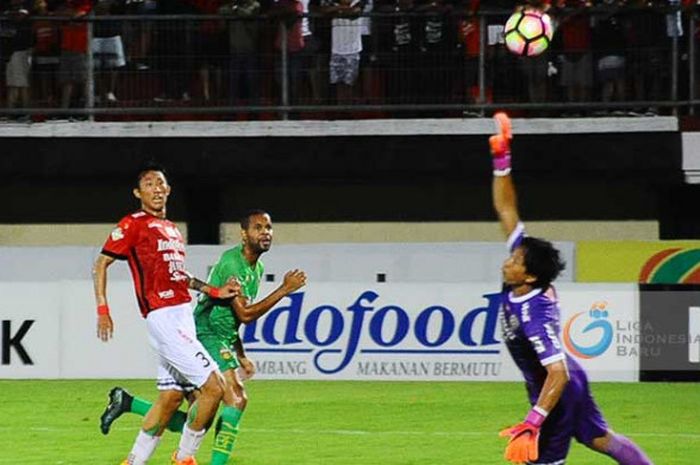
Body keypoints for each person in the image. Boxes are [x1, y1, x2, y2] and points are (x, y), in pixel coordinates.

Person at [489, 112, 654, 465]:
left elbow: (557, 372)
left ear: (529, 276)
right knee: (598, 439)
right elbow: (506, 209)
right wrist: (502, 160)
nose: (507, 262)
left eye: (515, 260)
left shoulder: (534, 312)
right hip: (565, 378)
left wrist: (535, 418)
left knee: (543, 461)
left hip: (557, 389)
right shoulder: (525, 281)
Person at [99, 209, 308, 465]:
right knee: (235, 398)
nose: (265, 233)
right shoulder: (233, 264)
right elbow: (244, 314)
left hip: (216, 336)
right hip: (203, 333)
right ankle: (191, 459)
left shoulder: (257, 266)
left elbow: (232, 318)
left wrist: (240, 354)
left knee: (191, 411)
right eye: (258, 227)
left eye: (268, 227)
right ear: (244, 234)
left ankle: (128, 403)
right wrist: (284, 290)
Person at [93, 162, 241, 465]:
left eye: (160, 183)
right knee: (215, 388)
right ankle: (184, 458)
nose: (156, 188)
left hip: (181, 314)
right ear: (138, 193)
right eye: (149, 184)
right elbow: (101, 264)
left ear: (169, 189)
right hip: (163, 316)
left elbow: (178, 275)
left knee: (171, 399)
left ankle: (133, 461)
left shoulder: (172, 229)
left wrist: (213, 291)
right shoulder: (133, 223)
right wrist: (103, 309)